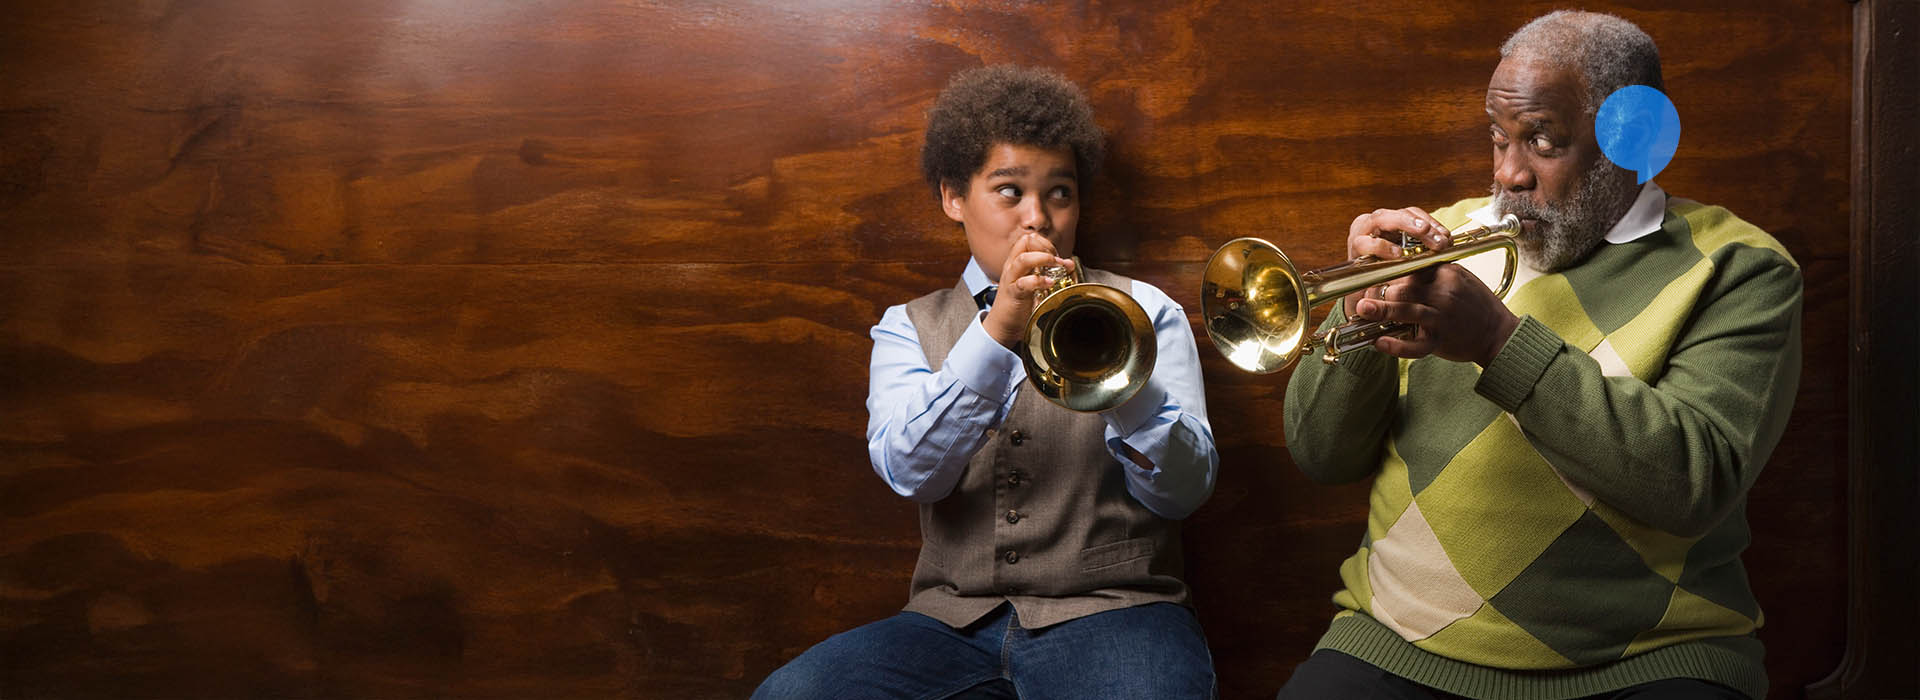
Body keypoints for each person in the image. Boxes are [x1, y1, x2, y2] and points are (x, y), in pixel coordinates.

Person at [1276, 11, 1801, 700]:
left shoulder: (1739, 268)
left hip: (1652, 660)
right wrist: (1355, 311)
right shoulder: (1444, 239)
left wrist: (1497, 342)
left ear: (1634, 139)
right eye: (1497, 139)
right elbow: (1321, 455)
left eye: (1542, 141)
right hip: (1396, 644)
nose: (1506, 174)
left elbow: (1690, 484)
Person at [754, 64, 1220, 699]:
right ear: (953, 197)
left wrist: (1120, 368)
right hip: (948, 623)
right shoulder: (906, 327)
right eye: (1009, 190)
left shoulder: (1146, 311)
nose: (1040, 219)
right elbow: (909, 471)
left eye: (1060, 193)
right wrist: (997, 331)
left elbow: (1185, 492)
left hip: (1117, 612)